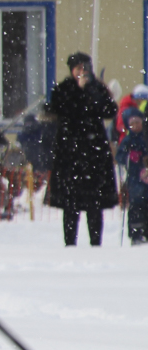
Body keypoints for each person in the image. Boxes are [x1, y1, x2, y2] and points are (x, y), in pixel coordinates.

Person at [45, 53, 118, 247]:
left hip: (93, 155)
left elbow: (109, 110)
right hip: (71, 154)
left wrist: (91, 91)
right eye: (77, 68)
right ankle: (70, 243)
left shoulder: (97, 88)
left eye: (84, 67)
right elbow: (57, 109)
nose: (81, 71)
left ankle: (96, 243)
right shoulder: (64, 89)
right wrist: (77, 92)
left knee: (94, 205)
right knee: (71, 205)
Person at [117, 109, 148, 244]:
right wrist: (129, 157)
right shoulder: (128, 140)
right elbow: (120, 156)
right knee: (136, 206)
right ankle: (136, 233)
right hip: (134, 177)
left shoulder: (145, 138)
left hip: (145, 175)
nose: (136, 126)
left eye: (138, 122)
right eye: (133, 123)